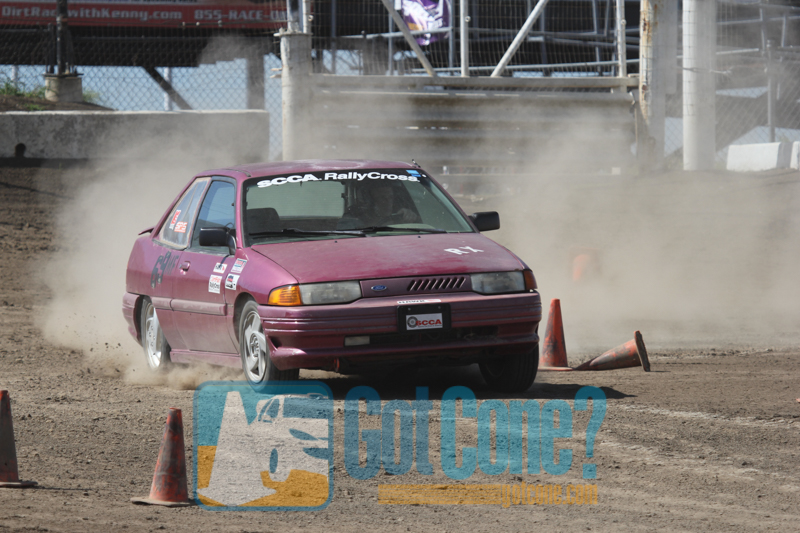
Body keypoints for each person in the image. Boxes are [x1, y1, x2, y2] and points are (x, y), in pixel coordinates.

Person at [344, 181, 420, 227]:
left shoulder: (398, 214)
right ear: (370, 201)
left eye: (390, 197)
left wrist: (409, 217)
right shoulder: (353, 218)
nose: (388, 202)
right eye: (382, 198)